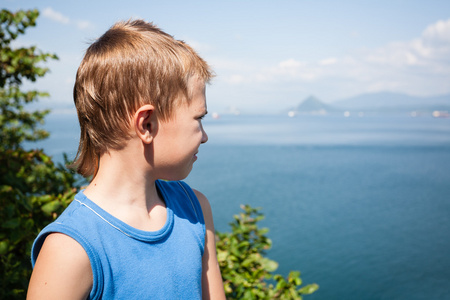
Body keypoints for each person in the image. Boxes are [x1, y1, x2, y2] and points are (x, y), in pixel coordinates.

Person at [27, 19, 225, 300]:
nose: (204, 136)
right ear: (146, 124)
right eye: (198, 119)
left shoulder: (196, 210)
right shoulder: (69, 250)